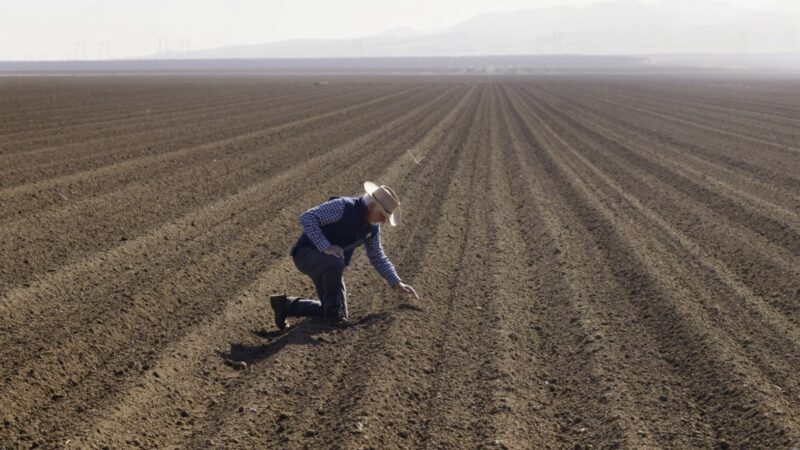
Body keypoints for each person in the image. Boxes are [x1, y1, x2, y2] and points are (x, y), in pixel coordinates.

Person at [270, 181, 419, 328]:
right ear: (372, 206)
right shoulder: (343, 206)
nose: (383, 221)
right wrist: (325, 246)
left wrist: (396, 282)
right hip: (306, 254)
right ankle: (332, 314)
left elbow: (377, 256)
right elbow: (307, 217)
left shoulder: (372, 229)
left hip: (331, 264)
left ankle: (286, 305)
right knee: (335, 300)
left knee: (338, 311)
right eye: (383, 215)